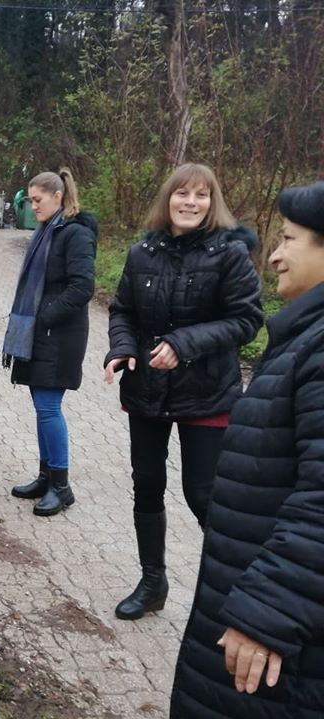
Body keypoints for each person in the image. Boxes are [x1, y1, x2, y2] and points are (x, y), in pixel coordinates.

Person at [170, 181, 324, 719]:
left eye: (289, 239)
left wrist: (269, 610)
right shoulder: (307, 339)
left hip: (279, 639)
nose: (276, 256)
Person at [103, 163, 263, 621]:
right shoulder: (141, 253)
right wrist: (121, 349)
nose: (191, 203)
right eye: (182, 194)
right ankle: (152, 582)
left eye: (201, 195)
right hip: (147, 390)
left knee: (204, 495)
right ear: (167, 199)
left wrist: (183, 343)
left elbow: (247, 320)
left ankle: (236, 595)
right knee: (147, 486)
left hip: (208, 393)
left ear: (213, 203)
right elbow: (123, 311)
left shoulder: (229, 254)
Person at [3, 168, 98, 517]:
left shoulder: (75, 234)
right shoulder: (46, 230)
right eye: (30, 200)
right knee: (41, 407)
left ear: (58, 197)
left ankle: (62, 486)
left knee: (48, 407)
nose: (33, 206)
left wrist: (44, 315)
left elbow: (82, 287)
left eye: (37, 200)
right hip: (39, 334)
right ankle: (45, 477)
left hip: (60, 335)